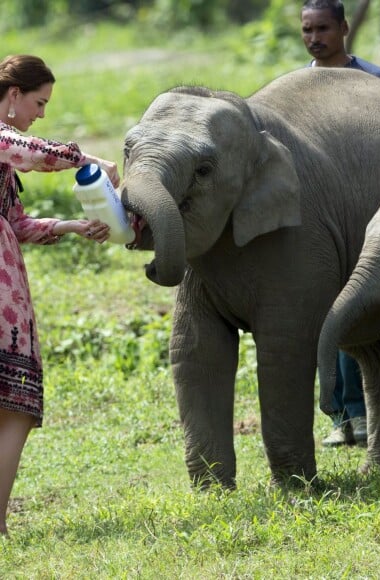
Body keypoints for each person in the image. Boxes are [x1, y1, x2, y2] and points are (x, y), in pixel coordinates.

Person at [0, 54, 119, 536]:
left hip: (7, 280)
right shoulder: (5, 141)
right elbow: (30, 150)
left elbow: (18, 222)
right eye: (38, 102)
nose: (40, 114)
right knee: (16, 406)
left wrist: (69, 226)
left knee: (12, 407)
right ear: (12, 96)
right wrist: (91, 160)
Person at [300, 0, 380, 447]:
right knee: (326, 309)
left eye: (323, 28)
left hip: (370, 214)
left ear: (344, 28)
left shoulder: (377, 85)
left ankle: (368, 413)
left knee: (359, 308)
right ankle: (344, 415)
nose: (315, 38)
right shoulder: (296, 90)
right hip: (321, 219)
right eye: (307, 30)